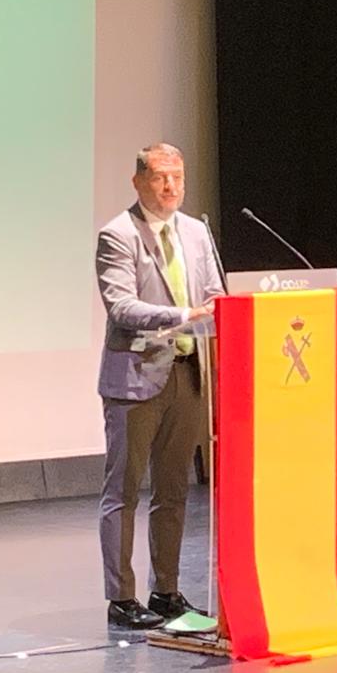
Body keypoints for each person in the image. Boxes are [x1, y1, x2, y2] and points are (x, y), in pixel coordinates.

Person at [95, 143, 224, 628]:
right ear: (139, 182)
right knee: (123, 492)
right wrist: (183, 315)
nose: (171, 187)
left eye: (178, 178)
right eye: (160, 178)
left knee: (173, 491)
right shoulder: (118, 234)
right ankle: (121, 598)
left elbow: (215, 294)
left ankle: (166, 592)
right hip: (134, 378)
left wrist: (214, 310)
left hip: (188, 375)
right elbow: (122, 307)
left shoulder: (195, 232)